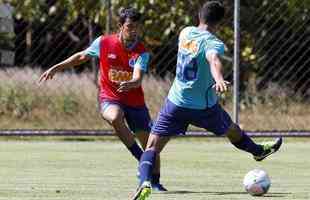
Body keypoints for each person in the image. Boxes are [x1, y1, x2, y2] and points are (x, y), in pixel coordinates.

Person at [131, 1, 282, 199]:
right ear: (219, 22)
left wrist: (217, 76)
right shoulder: (214, 43)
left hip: (176, 102)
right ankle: (257, 151)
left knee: (151, 147)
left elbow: (210, 59)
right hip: (203, 107)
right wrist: (218, 79)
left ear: (199, 16)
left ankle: (144, 183)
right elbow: (213, 59)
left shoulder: (185, 33)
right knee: (231, 129)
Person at [38, 7, 166, 191]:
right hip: (110, 97)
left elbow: (138, 77)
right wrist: (56, 67)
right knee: (114, 117)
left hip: (135, 102)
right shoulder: (104, 42)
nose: (134, 30)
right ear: (120, 26)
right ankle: (140, 159)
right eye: (130, 26)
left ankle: (155, 181)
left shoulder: (141, 52)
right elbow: (81, 56)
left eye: (137, 27)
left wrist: (133, 82)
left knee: (151, 145)